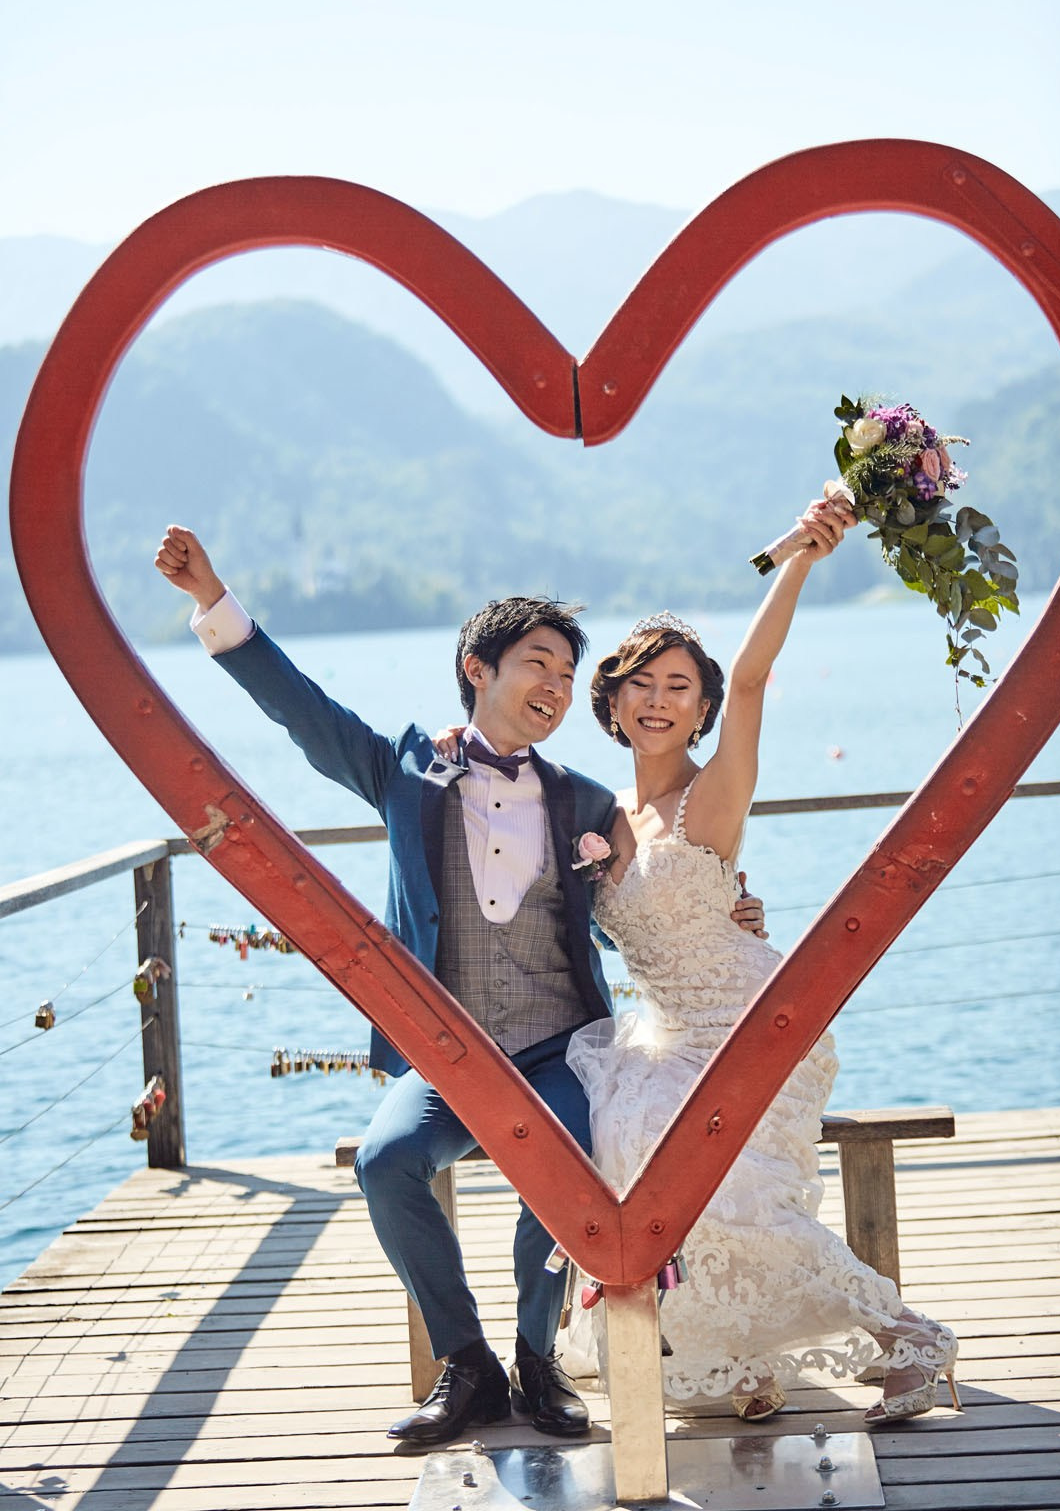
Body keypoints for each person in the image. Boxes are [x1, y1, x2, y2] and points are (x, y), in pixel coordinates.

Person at [154, 525, 766, 1448]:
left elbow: (634, 914)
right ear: (477, 668)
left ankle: (537, 1357)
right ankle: (466, 1363)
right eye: (538, 663)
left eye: (568, 670)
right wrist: (213, 601)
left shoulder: (587, 804)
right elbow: (301, 708)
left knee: (568, 1158)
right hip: (446, 1054)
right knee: (384, 1163)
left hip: (559, 1044)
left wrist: (733, 912)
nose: (557, 686)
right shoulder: (404, 766)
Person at [562, 498, 961, 1425]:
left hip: (752, 1025)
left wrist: (800, 560)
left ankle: (910, 1337)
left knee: (724, 1191)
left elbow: (751, 678)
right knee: (627, 1155)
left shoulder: (713, 798)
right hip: (664, 1036)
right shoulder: (599, 816)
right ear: (612, 700)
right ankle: (735, 1362)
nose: (657, 699)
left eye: (676, 687)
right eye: (639, 683)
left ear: (699, 709)